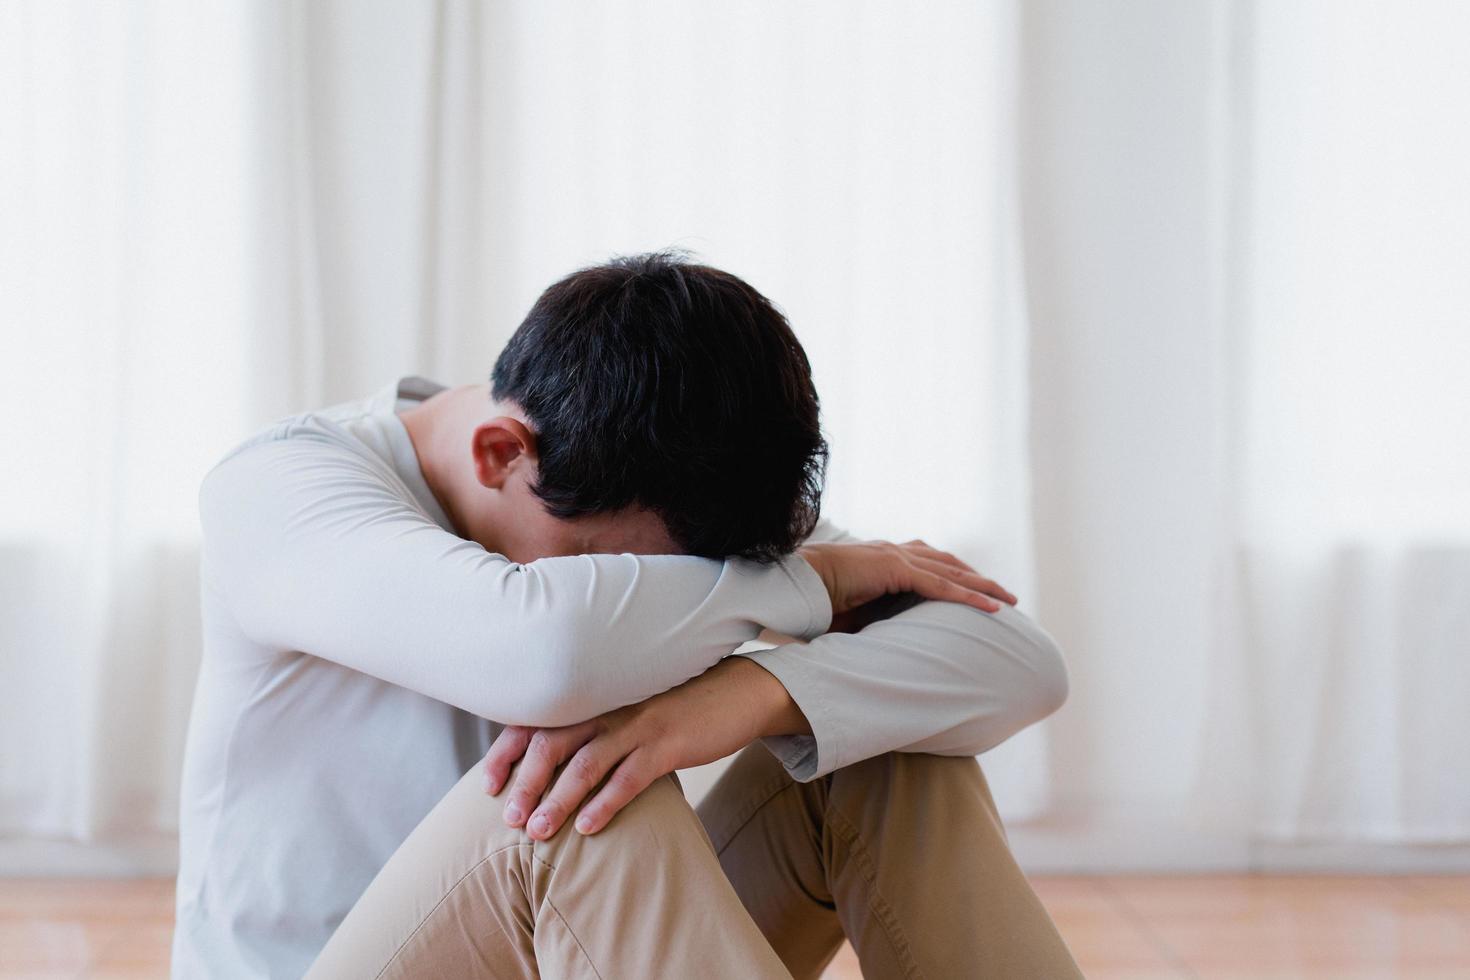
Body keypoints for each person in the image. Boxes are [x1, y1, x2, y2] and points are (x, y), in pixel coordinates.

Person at [171, 252, 1083, 978]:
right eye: (618, 579)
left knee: (886, 749)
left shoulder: (648, 478)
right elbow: (544, 650)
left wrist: (753, 695)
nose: (662, 604)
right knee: (564, 802)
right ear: (500, 454)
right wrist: (815, 579)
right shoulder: (280, 489)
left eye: (684, 585)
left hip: (574, 953)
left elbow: (1022, 664)